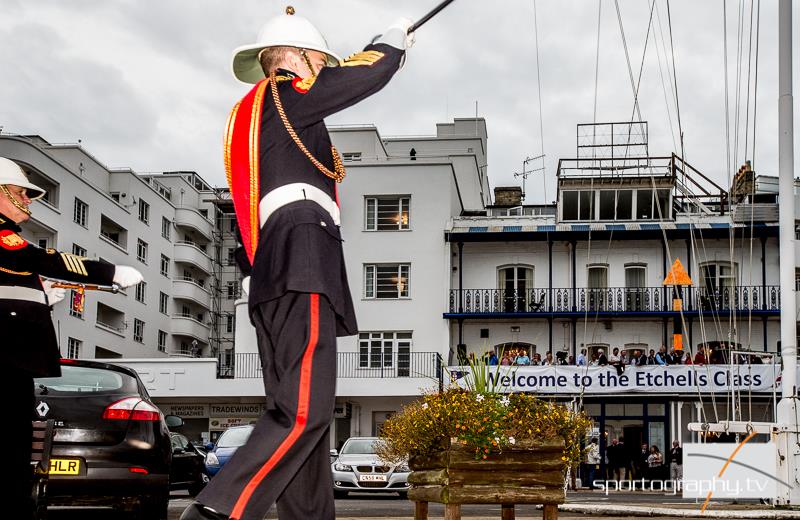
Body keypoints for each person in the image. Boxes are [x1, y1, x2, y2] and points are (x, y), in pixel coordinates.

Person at [182, 9, 414, 520]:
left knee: (306, 423)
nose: (321, 70)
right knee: (303, 411)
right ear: (295, 59)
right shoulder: (286, 94)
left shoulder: (261, 116)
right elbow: (366, 73)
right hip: (303, 258)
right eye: (318, 61)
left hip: (273, 270)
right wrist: (391, 43)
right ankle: (218, 510)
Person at [0, 157, 143, 519]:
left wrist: (41, 297)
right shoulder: (2, 235)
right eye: (20, 193)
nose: (28, 201)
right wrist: (108, 272)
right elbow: (42, 258)